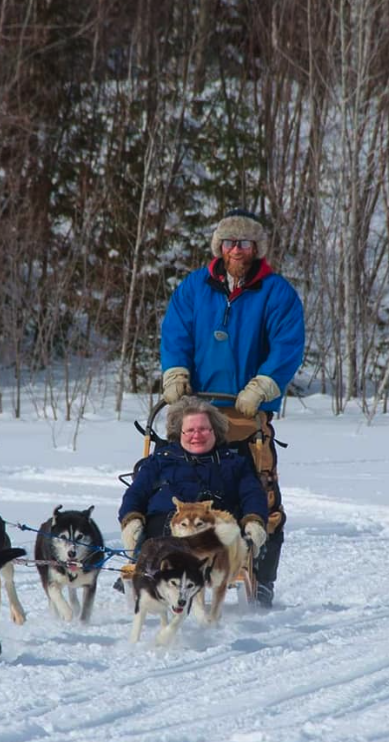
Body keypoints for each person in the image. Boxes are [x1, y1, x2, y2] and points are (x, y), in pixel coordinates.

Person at [158, 209, 305, 607]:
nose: (235, 249)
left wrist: (264, 383)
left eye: (244, 242)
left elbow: (288, 345)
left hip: (247, 412)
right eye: (228, 242)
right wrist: (174, 372)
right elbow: (175, 332)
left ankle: (263, 578)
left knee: (261, 495)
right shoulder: (194, 287)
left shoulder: (276, 293)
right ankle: (157, 563)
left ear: (256, 248)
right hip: (196, 408)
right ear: (218, 247)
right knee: (165, 483)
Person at [119, 399, 268, 558]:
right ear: (179, 433)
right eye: (189, 430)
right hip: (163, 528)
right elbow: (136, 493)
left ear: (214, 431)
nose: (197, 435)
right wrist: (132, 519)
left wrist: (253, 520)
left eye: (203, 429)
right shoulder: (159, 460)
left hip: (216, 532)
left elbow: (252, 494)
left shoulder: (234, 463)